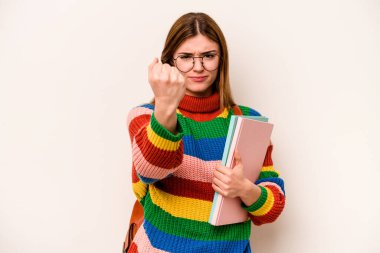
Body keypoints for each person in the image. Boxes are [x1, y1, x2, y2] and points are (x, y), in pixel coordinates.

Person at [126, 12, 285, 253]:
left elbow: (273, 207)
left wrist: (244, 189)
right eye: (186, 57)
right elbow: (150, 171)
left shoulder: (248, 121)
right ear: (169, 61)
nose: (198, 67)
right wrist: (166, 107)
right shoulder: (146, 116)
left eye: (208, 56)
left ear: (221, 59)